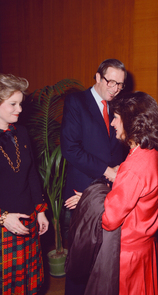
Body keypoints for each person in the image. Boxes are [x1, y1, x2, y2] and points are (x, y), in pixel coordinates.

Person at [61, 59, 128, 294]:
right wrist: (107, 171)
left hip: (111, 192)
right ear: (97, 77)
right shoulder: (76, 102)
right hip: (83, 190)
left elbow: (118, 148)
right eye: (111, 82)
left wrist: (121, 171)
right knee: (82, 258)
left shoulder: (118, 106)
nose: (116, 88)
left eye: (120, 84)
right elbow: (70, 149)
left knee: (104, 259)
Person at [100, 91, 158, 294]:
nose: (112, 123)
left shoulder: (135, 164)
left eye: (116, 118)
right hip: (145, 246)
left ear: (131, 121)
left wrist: (90, 202)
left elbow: (110, 219)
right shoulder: (153, 152)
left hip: (128, 252)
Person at [0, 73, 49, 295]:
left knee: (29, 285)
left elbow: (31, 175)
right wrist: (3, 217)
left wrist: (40, 211)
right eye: (13, 104)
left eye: (20, 103)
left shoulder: (21, 131)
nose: (19, 110)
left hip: (27, 220)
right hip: (3, 226)